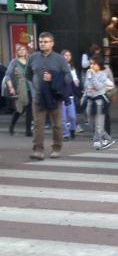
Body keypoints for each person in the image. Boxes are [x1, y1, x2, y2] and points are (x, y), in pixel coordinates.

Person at [26, 32, 71, 160]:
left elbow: (68, 77)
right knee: (38, 124)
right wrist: (34, 88)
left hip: (54, 97)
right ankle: (38, 151)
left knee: (57, 124)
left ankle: (57, 148)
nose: (43, 44)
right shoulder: (33, 57)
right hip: (38, 97)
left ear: (52, 43)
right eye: (40, 42)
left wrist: (54, 78)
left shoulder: (59, 59)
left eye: (45, 42)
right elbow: (28, 75)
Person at [84, 55, 115, 150]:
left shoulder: (103, 74)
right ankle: (107, 139)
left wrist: (93, 77)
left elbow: (98, 86)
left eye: (94, 64)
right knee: (90, 121)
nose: (92, 66)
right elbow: (85, 84)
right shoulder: (88, 72)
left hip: (99, 101)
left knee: (99, 123)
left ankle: (99, 141)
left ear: (99, 65)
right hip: (90, 100)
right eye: (91, 64)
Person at [5, 44, 33, 137]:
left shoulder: (29, 60)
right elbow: (8, 75)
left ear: (26, 51)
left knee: (30, 109)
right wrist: (11, 87)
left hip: (30, 87)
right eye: (20, 50)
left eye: (23, 49)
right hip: (20, 88)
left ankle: (28, 131)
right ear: (17, 52)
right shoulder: (14, 62)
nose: (22, 51)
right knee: (20, 109)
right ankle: (11, 126)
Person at [60, 49, 80, 141]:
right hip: (61, 95)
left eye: (69, 55)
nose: (67, 57)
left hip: (70, 94)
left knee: (73, 116)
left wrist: (76, 82)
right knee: (63, 117)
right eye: (66, 55)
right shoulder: (59, 67)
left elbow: (75, 80)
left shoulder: (72, 68)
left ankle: (72, 129)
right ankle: (65, 134)